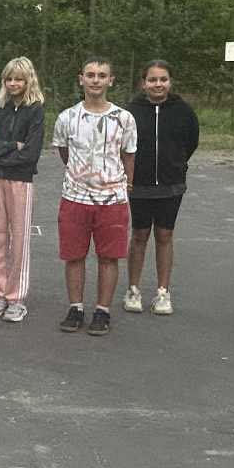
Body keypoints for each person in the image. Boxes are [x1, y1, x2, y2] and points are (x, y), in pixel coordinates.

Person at [53, 57, 137, 336]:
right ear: (81, 79)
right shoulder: (66, 118)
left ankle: (102, 310)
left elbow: (128, 155)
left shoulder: (124, 118)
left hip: (112, 199)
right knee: (74, 256)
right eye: (90, 75)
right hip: (74, 198)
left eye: (102, 75)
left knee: (108, 257)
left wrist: (126, 186)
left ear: (111, 80)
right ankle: (75, 308)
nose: (96, 80)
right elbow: (64, 152)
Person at [124, 58, 199, 316]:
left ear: (170, 82)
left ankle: (163, 292)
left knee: (165, 236)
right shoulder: (130, 111)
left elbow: (191, 142)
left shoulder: (183, 111)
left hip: (171, 185)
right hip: (138, 185)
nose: (158, 84)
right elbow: (122, 145)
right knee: (139, 235)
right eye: (152, 80)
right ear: (143, 83)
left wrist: (175, 164)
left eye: (163, 79)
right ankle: (133, 289)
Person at [0, 56, 46, 322]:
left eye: (19, 79)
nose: (13, 83)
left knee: (19, 240)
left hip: (21, 182)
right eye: (9, 79)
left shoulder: (36, 110)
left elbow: (31, 153)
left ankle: (16, 298)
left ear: (28, 81)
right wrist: (10, 146)